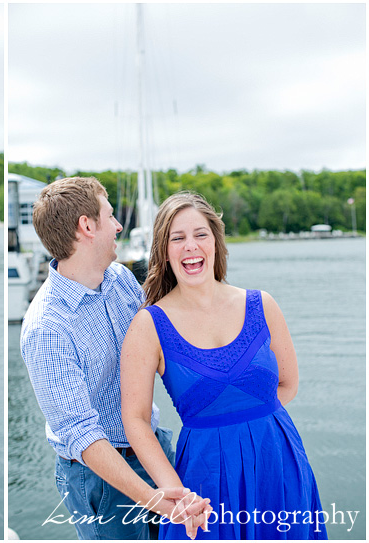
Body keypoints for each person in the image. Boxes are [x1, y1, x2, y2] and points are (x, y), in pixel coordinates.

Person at [121, 191, 327, 539]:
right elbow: (136, 419)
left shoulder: (262, 305)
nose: (191, 246)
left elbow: (288, 384)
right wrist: (176, 493)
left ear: (216, 241)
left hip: (278, 464)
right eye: (178, 237)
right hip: (205, 478)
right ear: (163, 250)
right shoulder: (149, 325)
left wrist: (251, 431)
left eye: (200, 234)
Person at [20, 177, 210, 540]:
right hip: (100, 477)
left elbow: (161, 344)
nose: (119, 226)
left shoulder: (119, 277)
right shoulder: (46, 328)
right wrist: (156, 500)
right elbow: (83, 437)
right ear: (87, 226)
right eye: (110, 216)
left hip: (152, 447)